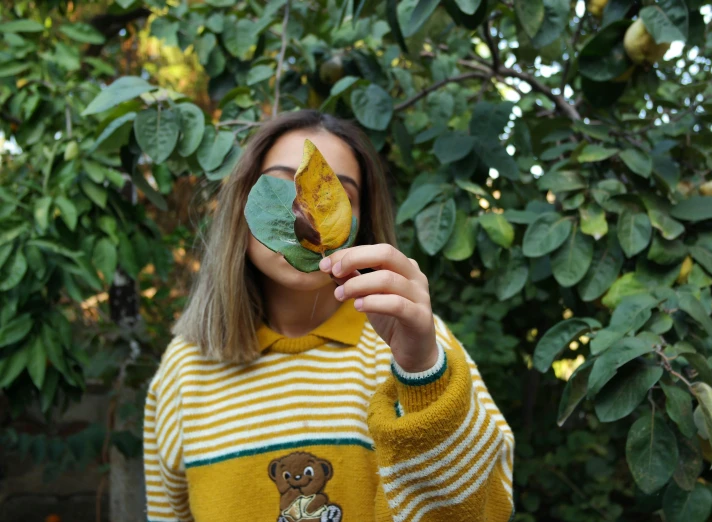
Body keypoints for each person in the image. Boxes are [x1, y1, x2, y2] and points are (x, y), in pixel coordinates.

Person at [143, 110, 515, 522]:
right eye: (286, 183)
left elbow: (487, 511)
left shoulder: (421, 345)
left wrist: (420, 373)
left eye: (339, 193)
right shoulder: (186, 368)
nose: (308, 212)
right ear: (240, 206)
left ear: (363, 223)